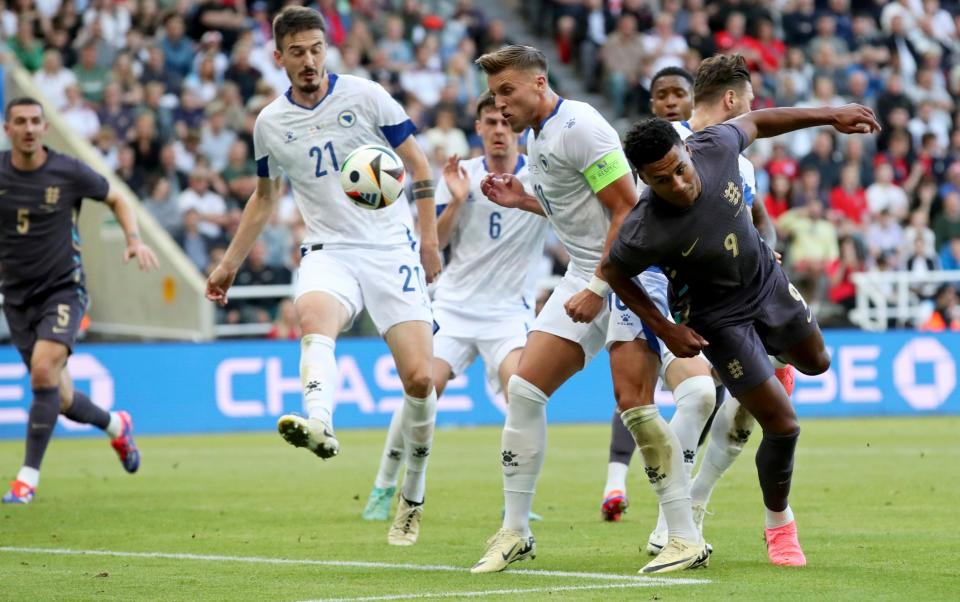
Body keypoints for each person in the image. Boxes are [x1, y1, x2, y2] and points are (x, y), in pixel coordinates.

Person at [204, 7, 442, 547]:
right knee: (310, 316)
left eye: (316, 49)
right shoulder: (270, 123)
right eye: (297, 52)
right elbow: (265, 199)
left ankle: (413, 492)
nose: (309, 61)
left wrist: (428, 241)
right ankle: (320, 422)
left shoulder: (366, 96)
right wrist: (228, 265)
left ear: (325, 49)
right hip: (328, 248)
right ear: (279, 56)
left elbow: (420, 166)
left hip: (390, 247)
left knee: (420, 381)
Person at [607, 103, 880, 566]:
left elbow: (759, 121)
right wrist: (666, 328)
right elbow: (615, 273)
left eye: (679, 170)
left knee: (818, 362)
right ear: (643, 181)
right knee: (784, 425)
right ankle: (780, 526)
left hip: (767, 285)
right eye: (661, 181)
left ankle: (771, 364)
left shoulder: (714, 145)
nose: (678, 185)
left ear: (687, 150)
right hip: (718, 321)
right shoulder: (644, 228)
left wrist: (831, 115)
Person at [472, 45, 708, 575]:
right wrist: (524, 199)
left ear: (539, 83)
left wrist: (601, 287)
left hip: (629, 272)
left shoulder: (579, 124)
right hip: (587, 272)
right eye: (493, 95)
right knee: (525, 391)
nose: (500, 105)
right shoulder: (541, 136)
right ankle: (515, 530)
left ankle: (684, 537)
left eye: (507, 91)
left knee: (635, 404)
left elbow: (627, 207)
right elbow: (580, 205)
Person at [361, 91, 548, 522]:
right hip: (455, 308)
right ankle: (384, 485)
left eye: (505, 121)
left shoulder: (539, 177)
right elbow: (436, 246)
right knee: (421, 388)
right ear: (478, 129)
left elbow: (566, 218)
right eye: (490, 122)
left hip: (508, 314)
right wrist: (459, 200)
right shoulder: (459, 173)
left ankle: (518, 499)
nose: (499, 129)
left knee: (524, 394)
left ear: (515, 127)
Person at [0, 97, 159, 504]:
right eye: (21, 122)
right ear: (8, 129)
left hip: (63, 289)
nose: (30, 128)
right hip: (17, 298)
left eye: (36, 121)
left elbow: (118, 198)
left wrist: (134, 240)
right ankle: (115, 426)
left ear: (45, 128)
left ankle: (27, 479)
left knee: (41, 373)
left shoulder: (67, 171)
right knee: (61, 397)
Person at [601, 68, 718, 563]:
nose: (671, 102)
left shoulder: (714, 149)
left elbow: (747, 213)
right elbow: (610, 215)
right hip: (639, 284)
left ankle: (673, 527)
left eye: (679, 94)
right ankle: (666, 521)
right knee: (635, 402)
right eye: (661, 95)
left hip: (691, 289)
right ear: (651, 101)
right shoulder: (631, 157)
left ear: (694, 100)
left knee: (700, 395)